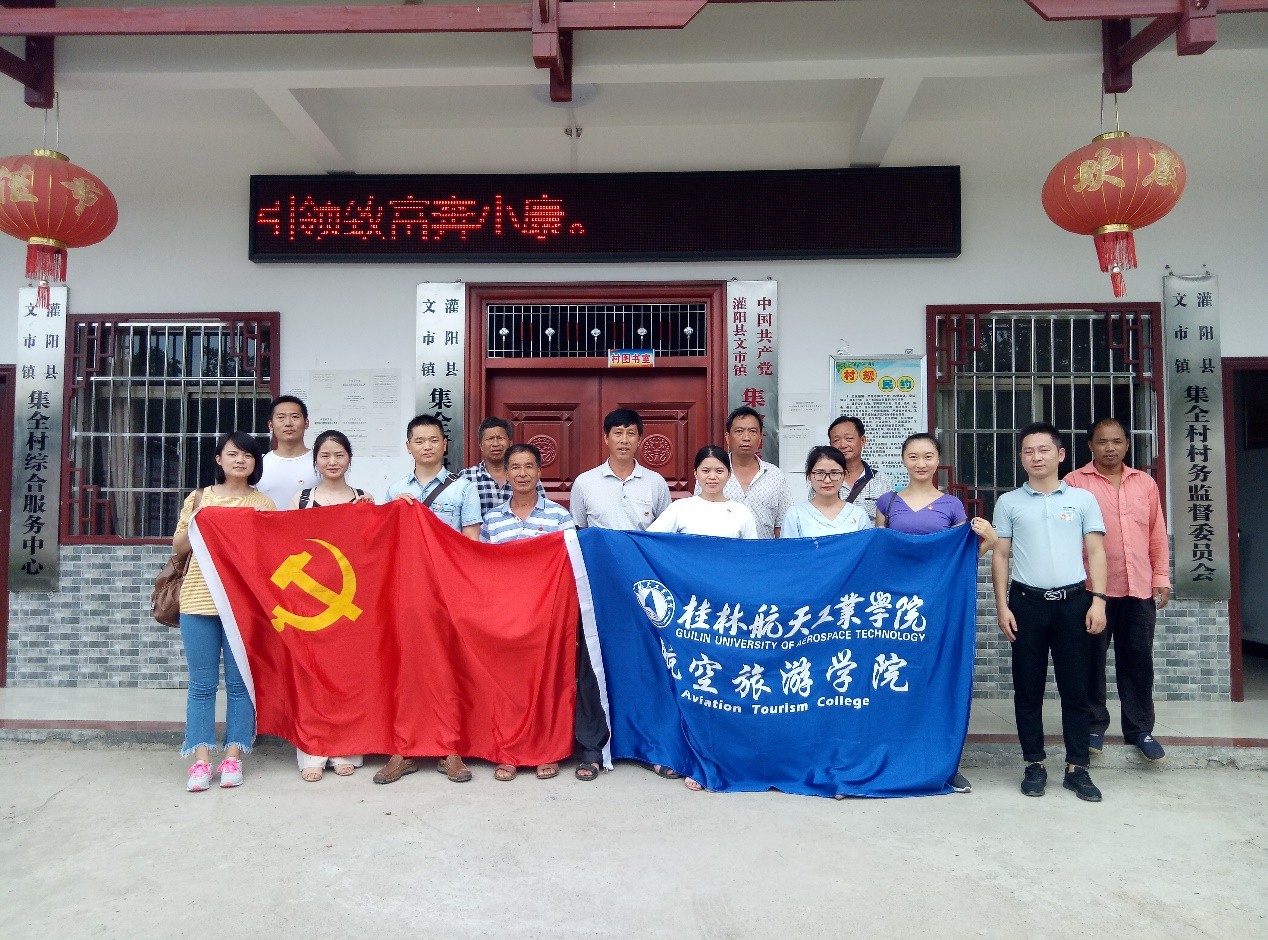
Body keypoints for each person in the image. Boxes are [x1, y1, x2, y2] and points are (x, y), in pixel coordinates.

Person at [875, 432, 998, 794]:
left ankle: (945, 762)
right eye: (913, 456)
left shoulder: (952, 506)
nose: (921, 463)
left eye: (928, 456)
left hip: (938, 606)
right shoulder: (887, 502)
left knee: (938, 677)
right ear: (903, 460)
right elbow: (878, 555)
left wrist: (989, 540)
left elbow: (961, 558)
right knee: (895, 679)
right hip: (895, 608)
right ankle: (890, 757)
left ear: (938, 460)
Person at [992, 422, 1108, 803]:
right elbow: (1001, 555)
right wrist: (1002, 605)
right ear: (1021, 457)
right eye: (1028, 451)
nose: (1036, 457)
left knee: (1076, 688)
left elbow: (1096, 552)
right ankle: (1034, 763)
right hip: (1026, 604)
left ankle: (1077, 767)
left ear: (1060, 454)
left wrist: (1099, 600)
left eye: (1043, 450)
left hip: (1074, 604)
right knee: (1028, 688)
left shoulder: (1082, 500)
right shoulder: (1009, 502)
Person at [376, 414, 482, 786]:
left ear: (444, 444)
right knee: (403, 668)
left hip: (447, 591)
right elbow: (384, 544)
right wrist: (390, 510)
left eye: (433, 440)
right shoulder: (395, 490)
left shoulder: (463, 489)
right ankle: (402, 749)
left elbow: (471, 542)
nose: (427, 446)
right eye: (419, 441)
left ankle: (449, 748)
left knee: (448, 668)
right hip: (405, 593)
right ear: (408, 447)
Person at [570, 408, 672, 781]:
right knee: (593, 666)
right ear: (606, 438)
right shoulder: (585, 483)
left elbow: (662, 540)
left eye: (630, 432)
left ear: (640, 438)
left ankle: (649, 746)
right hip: (598, 591)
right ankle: (592, 749)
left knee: (647, 664)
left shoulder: (656, 483)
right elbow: (579, 535)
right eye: (617, 432)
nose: (624, 439)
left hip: (643, 591)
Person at [173, 431, 276, 792]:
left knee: (239, 684)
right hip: (198, 601)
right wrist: (199, 518)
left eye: (247, 455)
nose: (240, 460)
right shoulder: (200, 497)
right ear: (219, 460)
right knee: (202, 685)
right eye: (232, 454)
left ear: (255, 462)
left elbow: (269, 555)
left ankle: (234, 756)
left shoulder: (263, 504)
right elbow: (178, 547)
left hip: (242, 606)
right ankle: (201, 761)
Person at [650, 445, 757, 789]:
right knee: (688, 679)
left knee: (721, 680)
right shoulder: (680, 509)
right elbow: (648, 546)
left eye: (719, 470)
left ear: (729, 474)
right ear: (695, 473)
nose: (712, 477)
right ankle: (679, 752)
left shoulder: (741, 512)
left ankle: (720, 753)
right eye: (706, 470)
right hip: (687, 614)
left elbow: (754, 561)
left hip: (728, 612)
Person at [1065, 417, 1171, 763]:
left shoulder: (1145, 483)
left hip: (1138, 587)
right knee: (1090, 660)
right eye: (1102, 441)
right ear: (1090, 445)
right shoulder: (1074, 483)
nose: (1109, 448)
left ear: (1127, 444)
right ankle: (1093, 726)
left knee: (1138, 660)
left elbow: (1156, 533)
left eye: (1116, 441)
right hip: (1091, 590)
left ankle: (1140, 729)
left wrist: (1161, 577)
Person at [480, 443, 577, 782]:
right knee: (507, 686)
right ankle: (507, 752)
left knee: (547, 682)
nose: (522, 473)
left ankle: (545, 751)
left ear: (539, 472)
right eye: (516, 467)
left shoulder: (559, 517)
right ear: (506, 474)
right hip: (506, 616)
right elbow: (485, 569)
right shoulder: (492, 520)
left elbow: (570, 566)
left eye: (529, 467)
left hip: (547, 615)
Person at [289, 430, 375, 781]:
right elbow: (285, 547)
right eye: (325, 455)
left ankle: (345, 749)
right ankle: (314, 750)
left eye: (339, 455)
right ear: (315, 461)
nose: (332, 462)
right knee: (312, 677)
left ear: (349, 458)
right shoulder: (301, 500)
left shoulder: (363, 499)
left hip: (351, 601)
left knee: (348, 676)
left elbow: (372, 552)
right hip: (308, 603)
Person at [715, 406, 791, 539]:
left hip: (763, 550)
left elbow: (782, 526)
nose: (746, 437)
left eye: (753, 431)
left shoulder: (775, 476)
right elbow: (698, 516)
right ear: (728, 437)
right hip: (722, 550)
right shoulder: (712, 474)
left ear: (760, 437)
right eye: (739, 431)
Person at [779, 445, 872, 538]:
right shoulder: (795, 515)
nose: (827, 480)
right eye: (820, 473)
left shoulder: (859, 515)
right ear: (809, 476)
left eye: (834, 473)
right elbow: (790, 547)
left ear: (844, 475)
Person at [460, 416, 544, 516]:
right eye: (490, 439)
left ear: (510, 442)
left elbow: (543, 510)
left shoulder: (526, 476)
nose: (495, 444)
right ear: (481, 445)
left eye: (500, 438)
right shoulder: (466, 477)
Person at [827, 415, 894, 523]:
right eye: (836, 440)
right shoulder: (824, 480)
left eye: (849, 439)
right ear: (830, 445)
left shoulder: (882, 481)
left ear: (862, 440)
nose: (843, 445)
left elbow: (890, 520)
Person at [256, 395, 318, 510]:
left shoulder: (321, 462)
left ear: (306, 423)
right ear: (270, 425)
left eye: (295, 417)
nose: (288, 423)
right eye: (281, 417)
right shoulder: (258, 463)